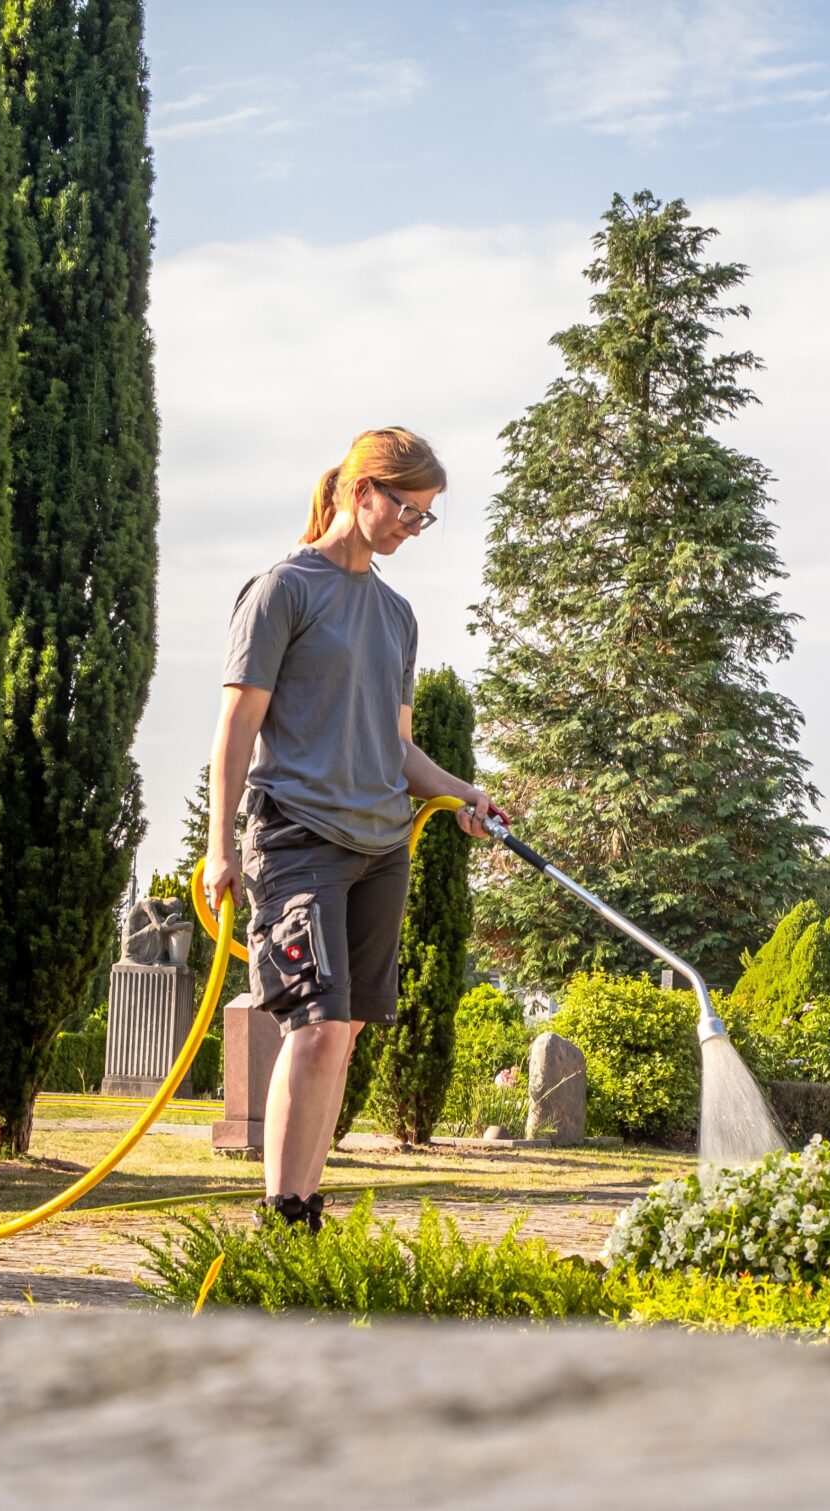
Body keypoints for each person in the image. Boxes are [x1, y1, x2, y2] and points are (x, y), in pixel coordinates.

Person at [201, 426, 503, 1231]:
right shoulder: (283, 590)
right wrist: (217, 847)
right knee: (317, 1025)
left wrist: (463, 791)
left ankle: (306, 1203)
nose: (413, 526)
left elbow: (395, 746)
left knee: (347, 1031)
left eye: (425, 516)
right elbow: (236, 728)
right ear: (361, 492)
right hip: (297, 836)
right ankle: (283, 1216)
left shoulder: (398, 616)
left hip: (379, 848)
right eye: (406, 508)